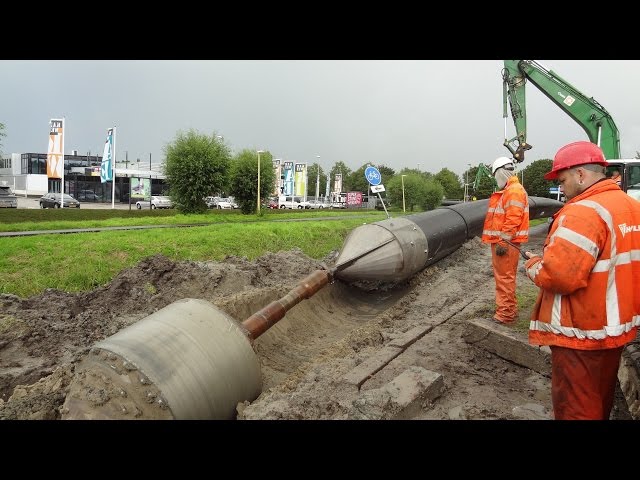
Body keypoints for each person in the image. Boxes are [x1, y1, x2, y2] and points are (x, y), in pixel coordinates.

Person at [523, 141, 640, 420]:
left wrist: (533, 265)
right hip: (615, 328)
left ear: (580, 175)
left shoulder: (583, 211)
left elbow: (560, 276)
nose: (561, 188)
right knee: (599, 399)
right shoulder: (629, 206)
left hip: (581, 332)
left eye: (562, 180)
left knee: (576, 408)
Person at [481, 156, 529, 324]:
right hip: (505, 242)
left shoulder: (513, 190)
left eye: (495, 175)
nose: (496, 179)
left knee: (504, 278)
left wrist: (503, 241)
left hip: (506, 243)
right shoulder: (511, 189)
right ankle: (509, 310)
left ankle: (505, 314)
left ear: (501, 172)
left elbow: (513, 218)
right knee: (505, 277)